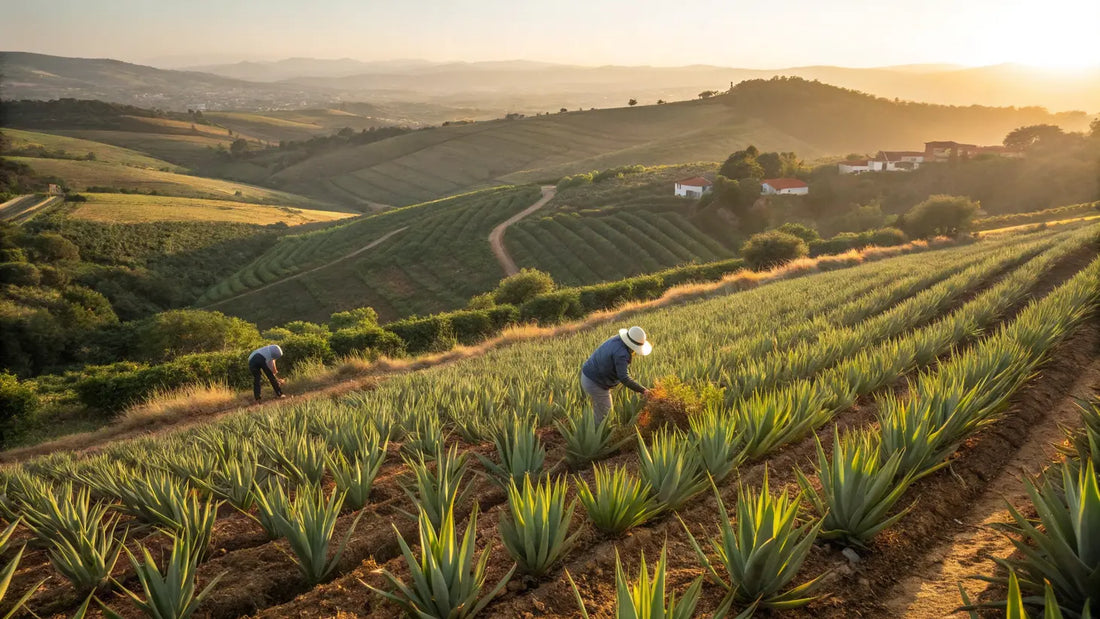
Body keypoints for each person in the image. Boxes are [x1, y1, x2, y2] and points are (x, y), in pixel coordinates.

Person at [580, 326, 652, 422]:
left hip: (589, 375)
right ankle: (596, 434)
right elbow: (624, 378)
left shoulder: (617, 339)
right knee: (606, 415)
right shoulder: (621, 354)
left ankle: (591, 425)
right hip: (594, 382)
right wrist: (643, 390)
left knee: (601, 410)